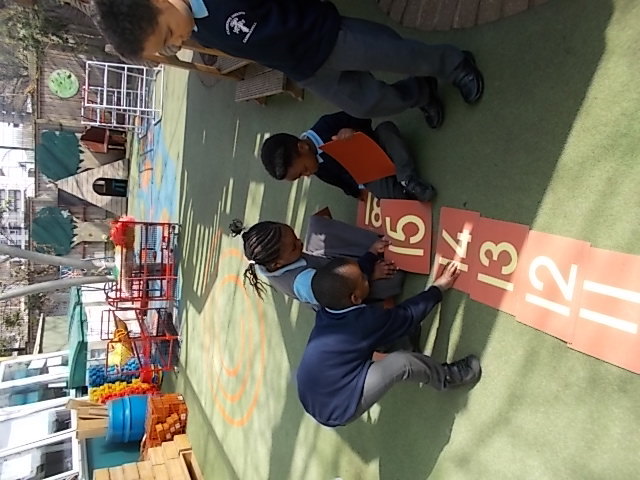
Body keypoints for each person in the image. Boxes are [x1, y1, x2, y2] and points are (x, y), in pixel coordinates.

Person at [91, 0, 484, 128]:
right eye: (167, 47)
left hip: (326, 35)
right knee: (365, 104)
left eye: (167, 35)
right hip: (304, 67)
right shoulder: (195, 26)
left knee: (399, 55)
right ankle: (421, 92)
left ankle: (455, 65)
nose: (177, 43)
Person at [296, 259, 482, 427]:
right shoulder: (362, 322)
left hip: (311, 390)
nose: (366, 277)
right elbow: (408, 315)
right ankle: (447, 377)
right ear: (354, 298)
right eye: (364, 278)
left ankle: (404, 344)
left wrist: (370, 259)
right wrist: (438, 288)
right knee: (402, 363)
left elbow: (351, 278)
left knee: (384, 331)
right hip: (337, 407)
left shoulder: (327, 309)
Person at [229, 215, 403, 309]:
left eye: (296, 238)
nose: (300, 243)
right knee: (396, 277)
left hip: (329, 269)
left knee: (318, 225)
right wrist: (370, 272)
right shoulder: (303, 283)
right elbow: (344, 292)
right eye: (294, 247)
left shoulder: (272, 260)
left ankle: (370, 250)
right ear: (277, 264)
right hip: (343, 295)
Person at [261, 111, 436, 201]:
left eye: (304, 170)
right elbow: (339, 181)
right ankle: (404, 195)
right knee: (387, 195)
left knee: (387, 129)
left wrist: (353, 131)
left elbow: (361, 116)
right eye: (301, 176)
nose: (307, 175)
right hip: (371, 174)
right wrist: (356, 193)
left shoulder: (326, 125)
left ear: (302, 147)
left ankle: (408, 180)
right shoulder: (318, 169)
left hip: (377, 145)